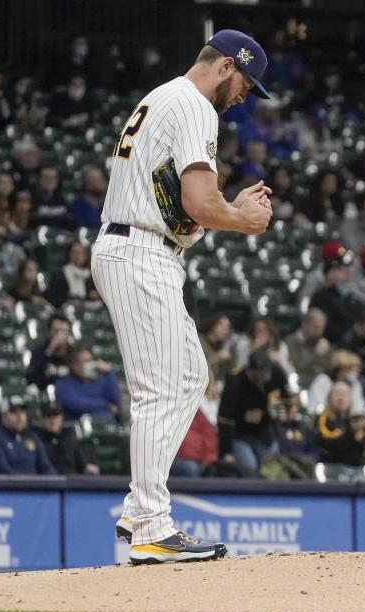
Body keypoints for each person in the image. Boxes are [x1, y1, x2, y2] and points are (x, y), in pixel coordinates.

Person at [92, 29, 274, 564]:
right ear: (225, 66)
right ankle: (149, 521)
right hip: (139, 251)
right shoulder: (196, 105)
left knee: (189, 376)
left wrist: (228, 208)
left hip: (139, 245)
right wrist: (241, 219)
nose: (245, 94)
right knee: (162, 387)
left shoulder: (163, 97)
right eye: (245, 81)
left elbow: (183, 207)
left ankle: (141, 511)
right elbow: (198, 200)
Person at [217, 349, 288, 475]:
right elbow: (225, 419)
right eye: (256, 377)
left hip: (266, 432)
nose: (260, 381)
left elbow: (287, 399)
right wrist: (226, 451)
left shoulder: (277, 373)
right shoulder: (235, 382)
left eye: (263, 376)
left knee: (271, 469)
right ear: (249, 371)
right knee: (250, 467)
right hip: (241, 433)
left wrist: (284, 412)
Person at [312, 381, 365, 466]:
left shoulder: (356, 419)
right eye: (337, 393)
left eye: (345, 394)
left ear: (350, 399)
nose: (341, 397)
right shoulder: (321, 420)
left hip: (355, 468)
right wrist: (351, 431)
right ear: (328, 398)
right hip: (330, 467)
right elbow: (330, 446)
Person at [0, 397, 56, 475]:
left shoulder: (32, 437)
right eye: (14, 412)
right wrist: (28, 483)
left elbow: (45, 466)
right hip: (9, 486)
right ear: (3, 416)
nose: (20, 417)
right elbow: (1, 470)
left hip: (35, 485)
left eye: (22, 412)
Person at [54, 345, 122, 421]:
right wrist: (107, 406)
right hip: (79, 427)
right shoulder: (63, 385)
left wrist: (108, 373)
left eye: (91, 360)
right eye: (87, 361)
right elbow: (78, 405)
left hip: (109, 426)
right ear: (74, 365)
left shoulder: (99, 379)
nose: (92, 364)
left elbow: (116, 398)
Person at [32, 401, 99, 475]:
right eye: (48, 416)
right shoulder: (36, 440)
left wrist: (87, 468)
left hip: (71, 481)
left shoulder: (69, 438)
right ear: (42, 419)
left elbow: (82, 465)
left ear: (61, 417)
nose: (52, 420)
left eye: (56, 415)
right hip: (46, 481)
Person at [306, 349, 365, 415]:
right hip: (325, 418)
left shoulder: (353, 382)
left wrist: (353, 414)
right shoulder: (323, 380)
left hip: (347, 418)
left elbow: (359, 406)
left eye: (348, 368)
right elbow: (316, 405)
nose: (345, 372)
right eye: (343, 368)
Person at [283, 308, 331, 385]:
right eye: (316, 327)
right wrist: (315, 354)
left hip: (318, 384)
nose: (319, 332)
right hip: (298, 383)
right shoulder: (291, 342)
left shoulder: (321, 343)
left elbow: (327, 370)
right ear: (305, 324)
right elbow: (297, 369)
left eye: (322, 328)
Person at [27, 315, 72, 388]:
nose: (60, 335)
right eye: (56, 331)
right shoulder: (39, 351)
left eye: (64, 331)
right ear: (50, 332)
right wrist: (49, 352)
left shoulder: (74, 353)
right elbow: (31, 378)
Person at [44, 242, 91, 308]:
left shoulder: (91, 275)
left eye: (80, 252)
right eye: (74, 252)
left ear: (86, 255)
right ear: (69, 254)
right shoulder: (60, 273)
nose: (76, 255)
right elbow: (51, 296)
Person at [30, 165, 74, 230]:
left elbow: (72, 223)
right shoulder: (29, 200)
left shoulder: (64, 201)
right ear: (39, 180)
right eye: (45, 177)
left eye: (53, 178)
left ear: (57, 181)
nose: (49, 181)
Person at [68, 165, 108, 229]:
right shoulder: (77, 205)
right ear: (86, 183)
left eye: (100, 179)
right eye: (93, 180)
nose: (97, 183)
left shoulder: (112, 204)